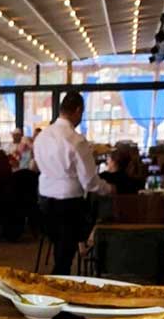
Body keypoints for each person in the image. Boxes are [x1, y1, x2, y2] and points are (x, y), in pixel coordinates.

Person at [33, 92, 113, 274]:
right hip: (68, 205)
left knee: (60, 251)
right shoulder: (76, 140)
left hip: (44, 202)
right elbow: (90, 182)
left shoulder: (41, 137)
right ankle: (60, 282)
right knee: (64, 258)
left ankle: (58, 277)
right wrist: (108, 188)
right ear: (78, 111)